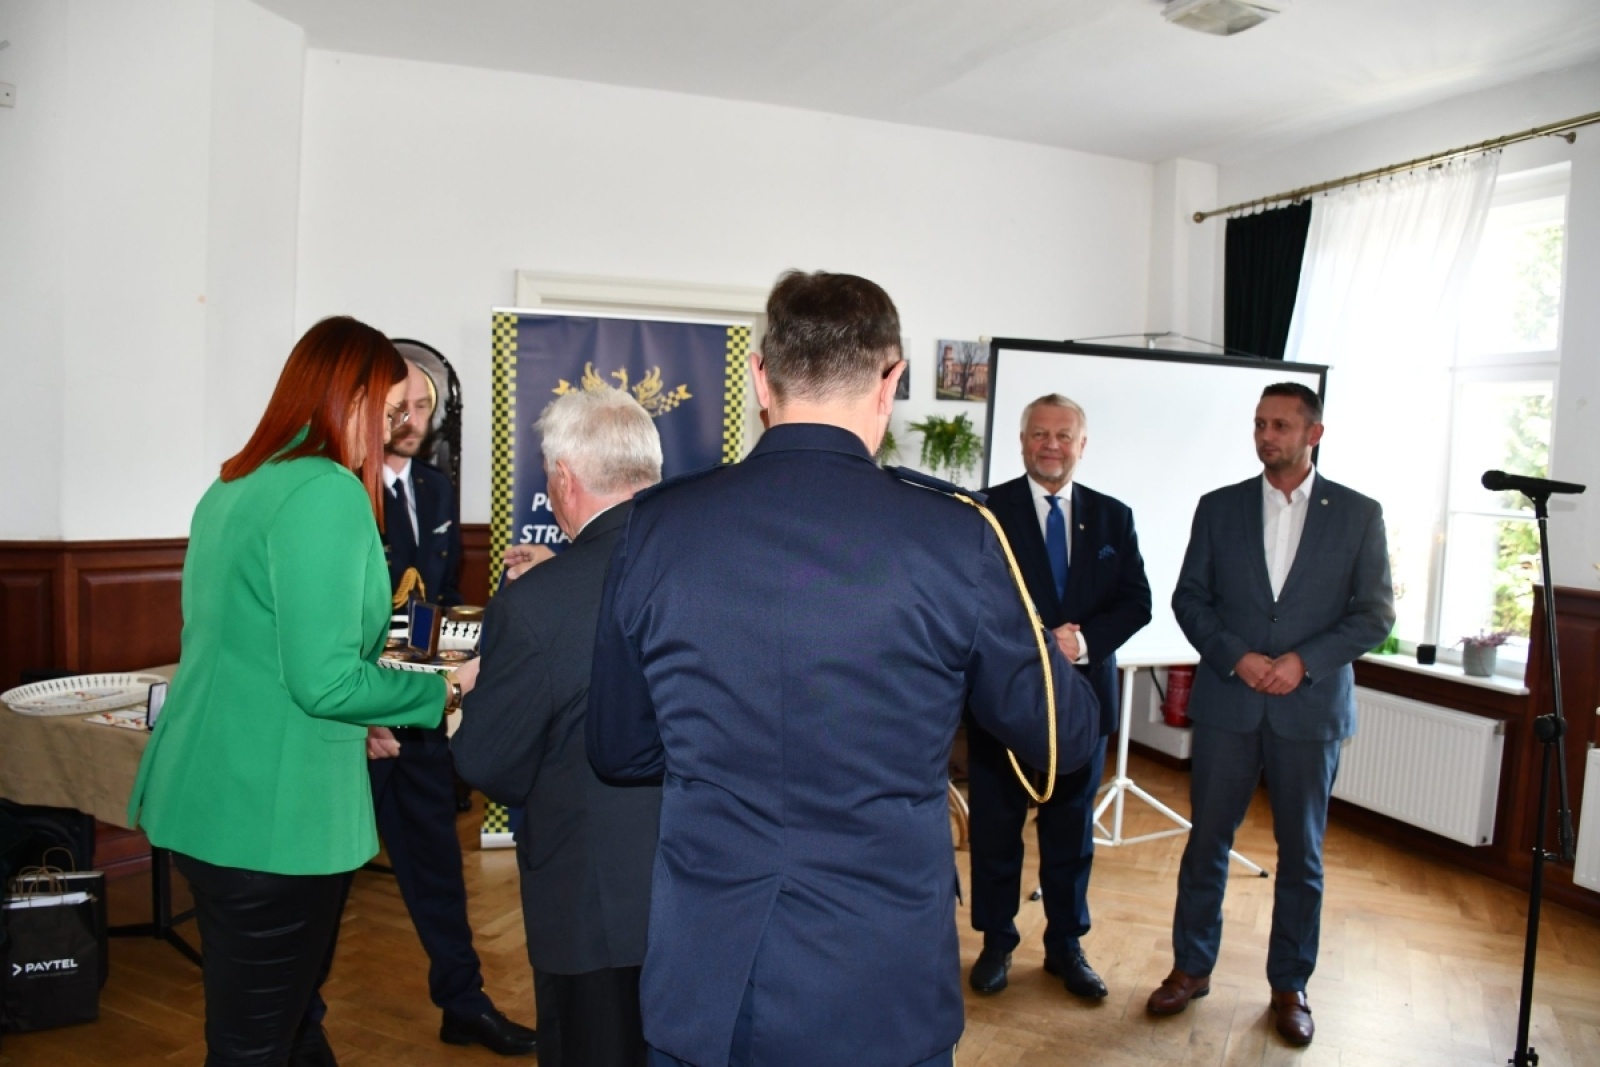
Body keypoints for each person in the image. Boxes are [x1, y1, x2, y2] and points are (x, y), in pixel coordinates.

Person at [585, 269, 1102, 1067]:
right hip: (882, 973)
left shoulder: (655, 527)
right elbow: (1065, 738)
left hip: (710, 973)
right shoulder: (956, 537)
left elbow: (618, 749)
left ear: (761, 377)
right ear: (892, 380)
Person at [127, 316, 480, 1067]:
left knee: (283, 1027)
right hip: (271, 817)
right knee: (256, 1042)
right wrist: (444, 692)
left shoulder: (237, 482)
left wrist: (365, 718)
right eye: (388, 411)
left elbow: (256, 651)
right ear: (347, 398)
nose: (394, 430)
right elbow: (325, 679)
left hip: (207, 795)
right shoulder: (325, 491)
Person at [1148, 382, 1394, 1047]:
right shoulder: (1219, 507)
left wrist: (1303, 662)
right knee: (1207, 842)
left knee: (1302, 854)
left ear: (1314, 433)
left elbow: (1375, 614)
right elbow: (1189, 598)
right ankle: (1190, 967)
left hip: (1309, 710)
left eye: (1281, 425)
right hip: (1229, 702)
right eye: (1260, 423)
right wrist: (1237, 655)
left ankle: (1290, 984)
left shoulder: (1359, 514)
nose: (1266, 436)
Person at [454, 387, 664, 1067]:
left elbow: (487, 761)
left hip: (589, 909)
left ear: (565, 479)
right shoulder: (709, 569)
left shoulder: (534, 606)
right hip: (701, 890)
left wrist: (468, 698)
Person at [351, 357, 538, 1057]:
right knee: (327, 883)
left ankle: (464, 1003)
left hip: (422, 717)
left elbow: (437, 598)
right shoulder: (342, 490)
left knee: (437, 870)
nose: (410, 419)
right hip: (355, 720)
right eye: (398, 404)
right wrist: (373, 705)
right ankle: (300, 1026)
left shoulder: (435, 489)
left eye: (423, 405)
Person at [965, 394, 1151, 999]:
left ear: (1081, 445)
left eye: (1063, 435)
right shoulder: (985, 512)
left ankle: (1065, 946)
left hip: (1082, 705)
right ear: (1022, 441)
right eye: (1039, 434)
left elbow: (1137, 601)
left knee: (1071, 834)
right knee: (996, 830)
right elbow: (970, 601)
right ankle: (997, 941)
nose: (1051, 445)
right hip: (1004, 702)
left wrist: (1083, 642)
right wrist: (1042, 642)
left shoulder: (1114, 517)